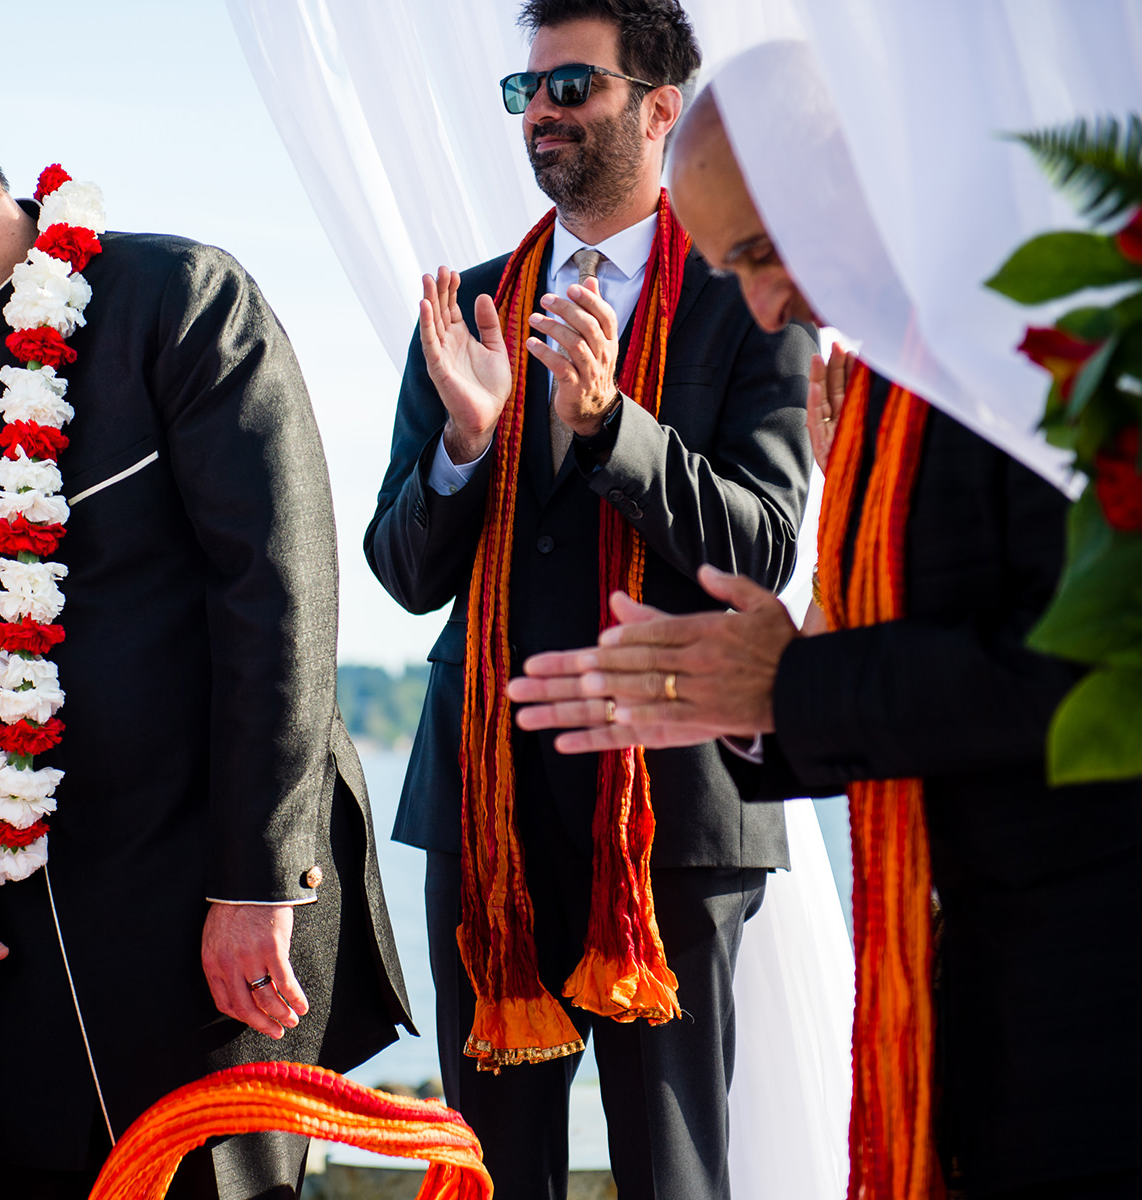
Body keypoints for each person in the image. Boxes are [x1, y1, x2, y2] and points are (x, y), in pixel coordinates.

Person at [510, 85, 1142, 1199]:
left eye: (762, 253)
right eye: (733, 268)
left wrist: (791, 686)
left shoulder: (1034, 351)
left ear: (859, 180)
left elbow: (1082, 673)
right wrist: (766, 692)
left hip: (1094, 966)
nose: (765, 308)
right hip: (971, 965)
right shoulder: (887, 380)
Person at [0, 79, 413, 1200]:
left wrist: (256, 883)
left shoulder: (177, 301)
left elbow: (279, 598)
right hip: (7, 974)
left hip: (200, 925)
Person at [361, 2, 813, 1195]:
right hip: (487, 811)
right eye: (529, 92)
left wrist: (614, 427)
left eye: (574, 85)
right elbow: (403, 575)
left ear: (662, 106)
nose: (542, 114)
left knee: (673, 1173)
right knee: (493, 1175)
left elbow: (762, 546)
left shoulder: (747, 294)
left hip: (670, 817)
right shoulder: (471, 304)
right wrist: (465, 443)